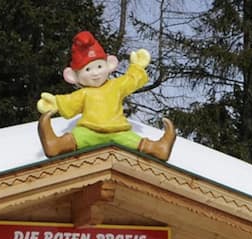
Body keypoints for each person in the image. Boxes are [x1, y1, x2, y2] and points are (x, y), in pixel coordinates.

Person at [35, 31, 175, 160]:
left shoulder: (115, 86)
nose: (95, 73)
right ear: (73, 76)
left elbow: (130, 81)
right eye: (88, 69)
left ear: (109, 65)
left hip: (118, 131)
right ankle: (55, 145)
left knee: (135, 141)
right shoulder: (84, 93)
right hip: (90, 130)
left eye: (99, 67)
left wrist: (137, 67)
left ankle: (158, 148)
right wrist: (55, 103)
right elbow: (70, 101)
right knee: (76, 137)